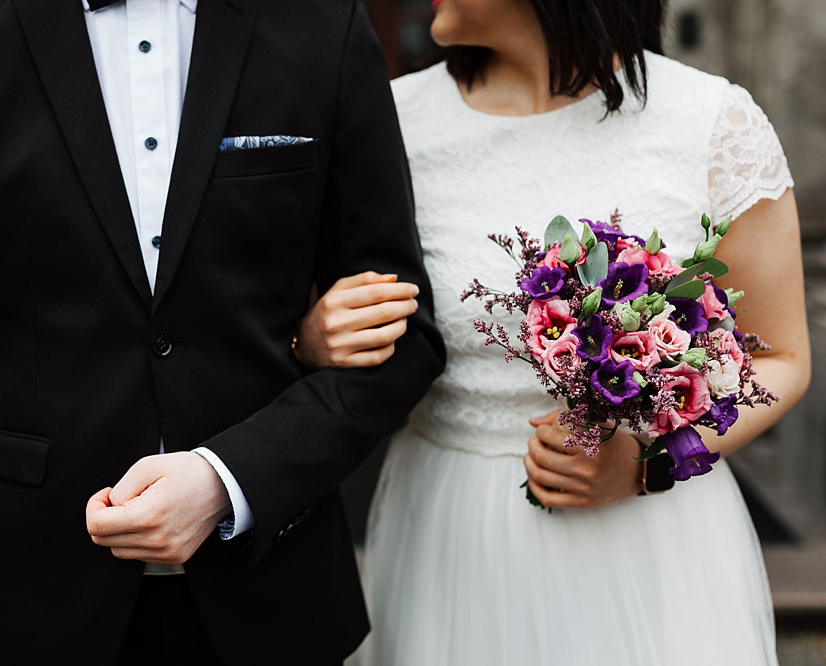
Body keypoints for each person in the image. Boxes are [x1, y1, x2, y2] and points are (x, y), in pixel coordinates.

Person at [0, 0, 445, 664]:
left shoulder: (320, 22)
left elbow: (403, 337)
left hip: (273, 605)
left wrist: (229, 479)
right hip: (23, 612)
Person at [295, 1, 811, 664]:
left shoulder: (711, 122)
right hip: (452, 535)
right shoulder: (389, 121)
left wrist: (648, 462)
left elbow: (781, 357)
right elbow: (300, 309)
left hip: (652, 543)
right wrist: (310, 342)